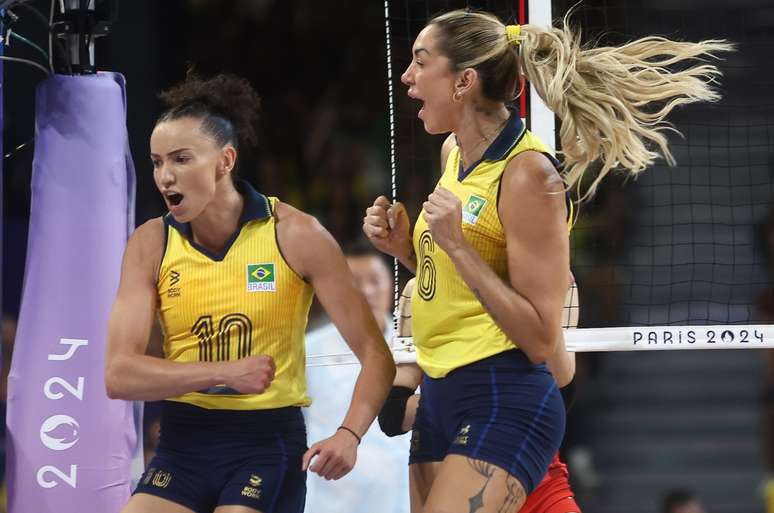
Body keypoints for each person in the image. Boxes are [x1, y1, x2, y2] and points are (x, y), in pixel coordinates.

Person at [363, 9, 731, 512]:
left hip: (503, 396)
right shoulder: (454, 154)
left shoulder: (529, 174)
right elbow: (462, 282)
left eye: (420, 63)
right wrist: (406, 249)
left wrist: (454, 244)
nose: (406, 77)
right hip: (442, 398)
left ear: (463, 82)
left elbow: (540, 338)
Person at [104, 73, 395, 513]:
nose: (165, 177)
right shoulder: (151, 242)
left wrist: (349, 434)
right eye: (157, 161)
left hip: (265, 444)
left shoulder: (295, 234)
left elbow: (377, 356)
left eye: (181, 159)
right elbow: (119, 375)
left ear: (225, 160)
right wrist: (222, 372)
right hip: (184, 442)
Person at [379, 278, 581, 513]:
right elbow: (393, 414)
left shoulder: (550, 280)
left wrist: (548, 301)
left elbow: (561, 396)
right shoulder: (421, 288)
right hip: (458, 480)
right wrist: (473, 403)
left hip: (539, 484)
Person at [304, 239, 411, 513]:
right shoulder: (308, 349)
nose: (367, 291)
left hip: (398, 495)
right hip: (329, 497)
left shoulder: (414, 349)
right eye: (355, 282)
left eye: (376, 280)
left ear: (392, 284)